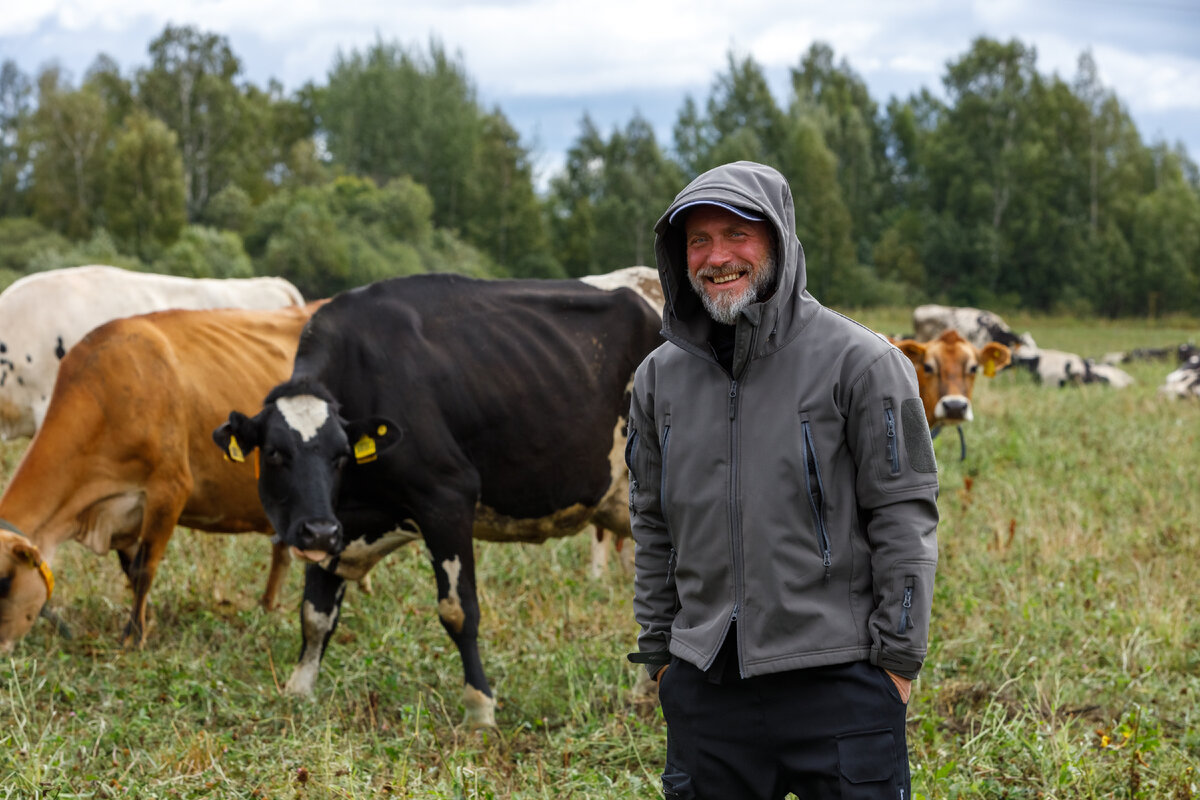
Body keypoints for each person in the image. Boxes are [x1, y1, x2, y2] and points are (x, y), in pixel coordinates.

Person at [626, 160, 940, 799]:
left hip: (841, 682)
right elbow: (652, 523)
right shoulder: (658, 378)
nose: (718, 257)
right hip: (707, 686)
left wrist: (897, 664)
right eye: (698, 240)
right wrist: (660, 655)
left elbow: (906, 517)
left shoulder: (867, 363)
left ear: (778, 238)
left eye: (737, 235)